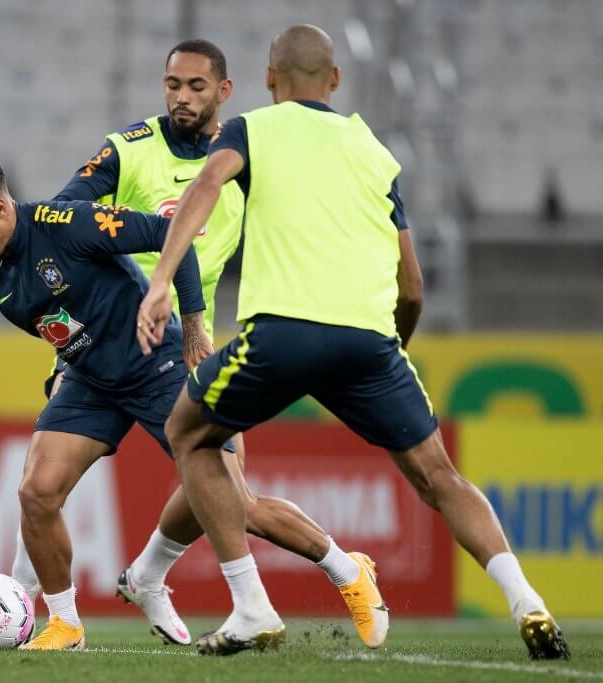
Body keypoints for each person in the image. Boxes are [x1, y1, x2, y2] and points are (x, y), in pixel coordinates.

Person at [137, 24, 570, 660]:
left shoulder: (252, 128)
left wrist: (160, 282)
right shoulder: (374, 151)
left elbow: (203, 190)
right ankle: (526, 599)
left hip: (282, 331)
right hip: (370, 341)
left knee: (189, 433)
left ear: (267, 79)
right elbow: (413, 284)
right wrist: (391, 353)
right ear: (335, 80)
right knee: (439, 476)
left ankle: (251, 606)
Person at [9, 39, 388, 649]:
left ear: (225, 92)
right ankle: (42, 613)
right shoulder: (128, 150)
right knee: (39, 486)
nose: (182, 98)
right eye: (172, 85)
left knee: (231, 499)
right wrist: (66, 337)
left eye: (196, 87)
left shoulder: (245, 156)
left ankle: (342, 568)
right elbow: (60, 219)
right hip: (106, 344)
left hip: (184, 348)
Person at [0, 153, 213, 651]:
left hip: (157, 364)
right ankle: (65, 624)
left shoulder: (67, 223)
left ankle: (328, 568)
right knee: (37, 492)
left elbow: (167, 233)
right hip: (90, 379)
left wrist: (194, 326)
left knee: (221, 493)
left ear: (1, 208)